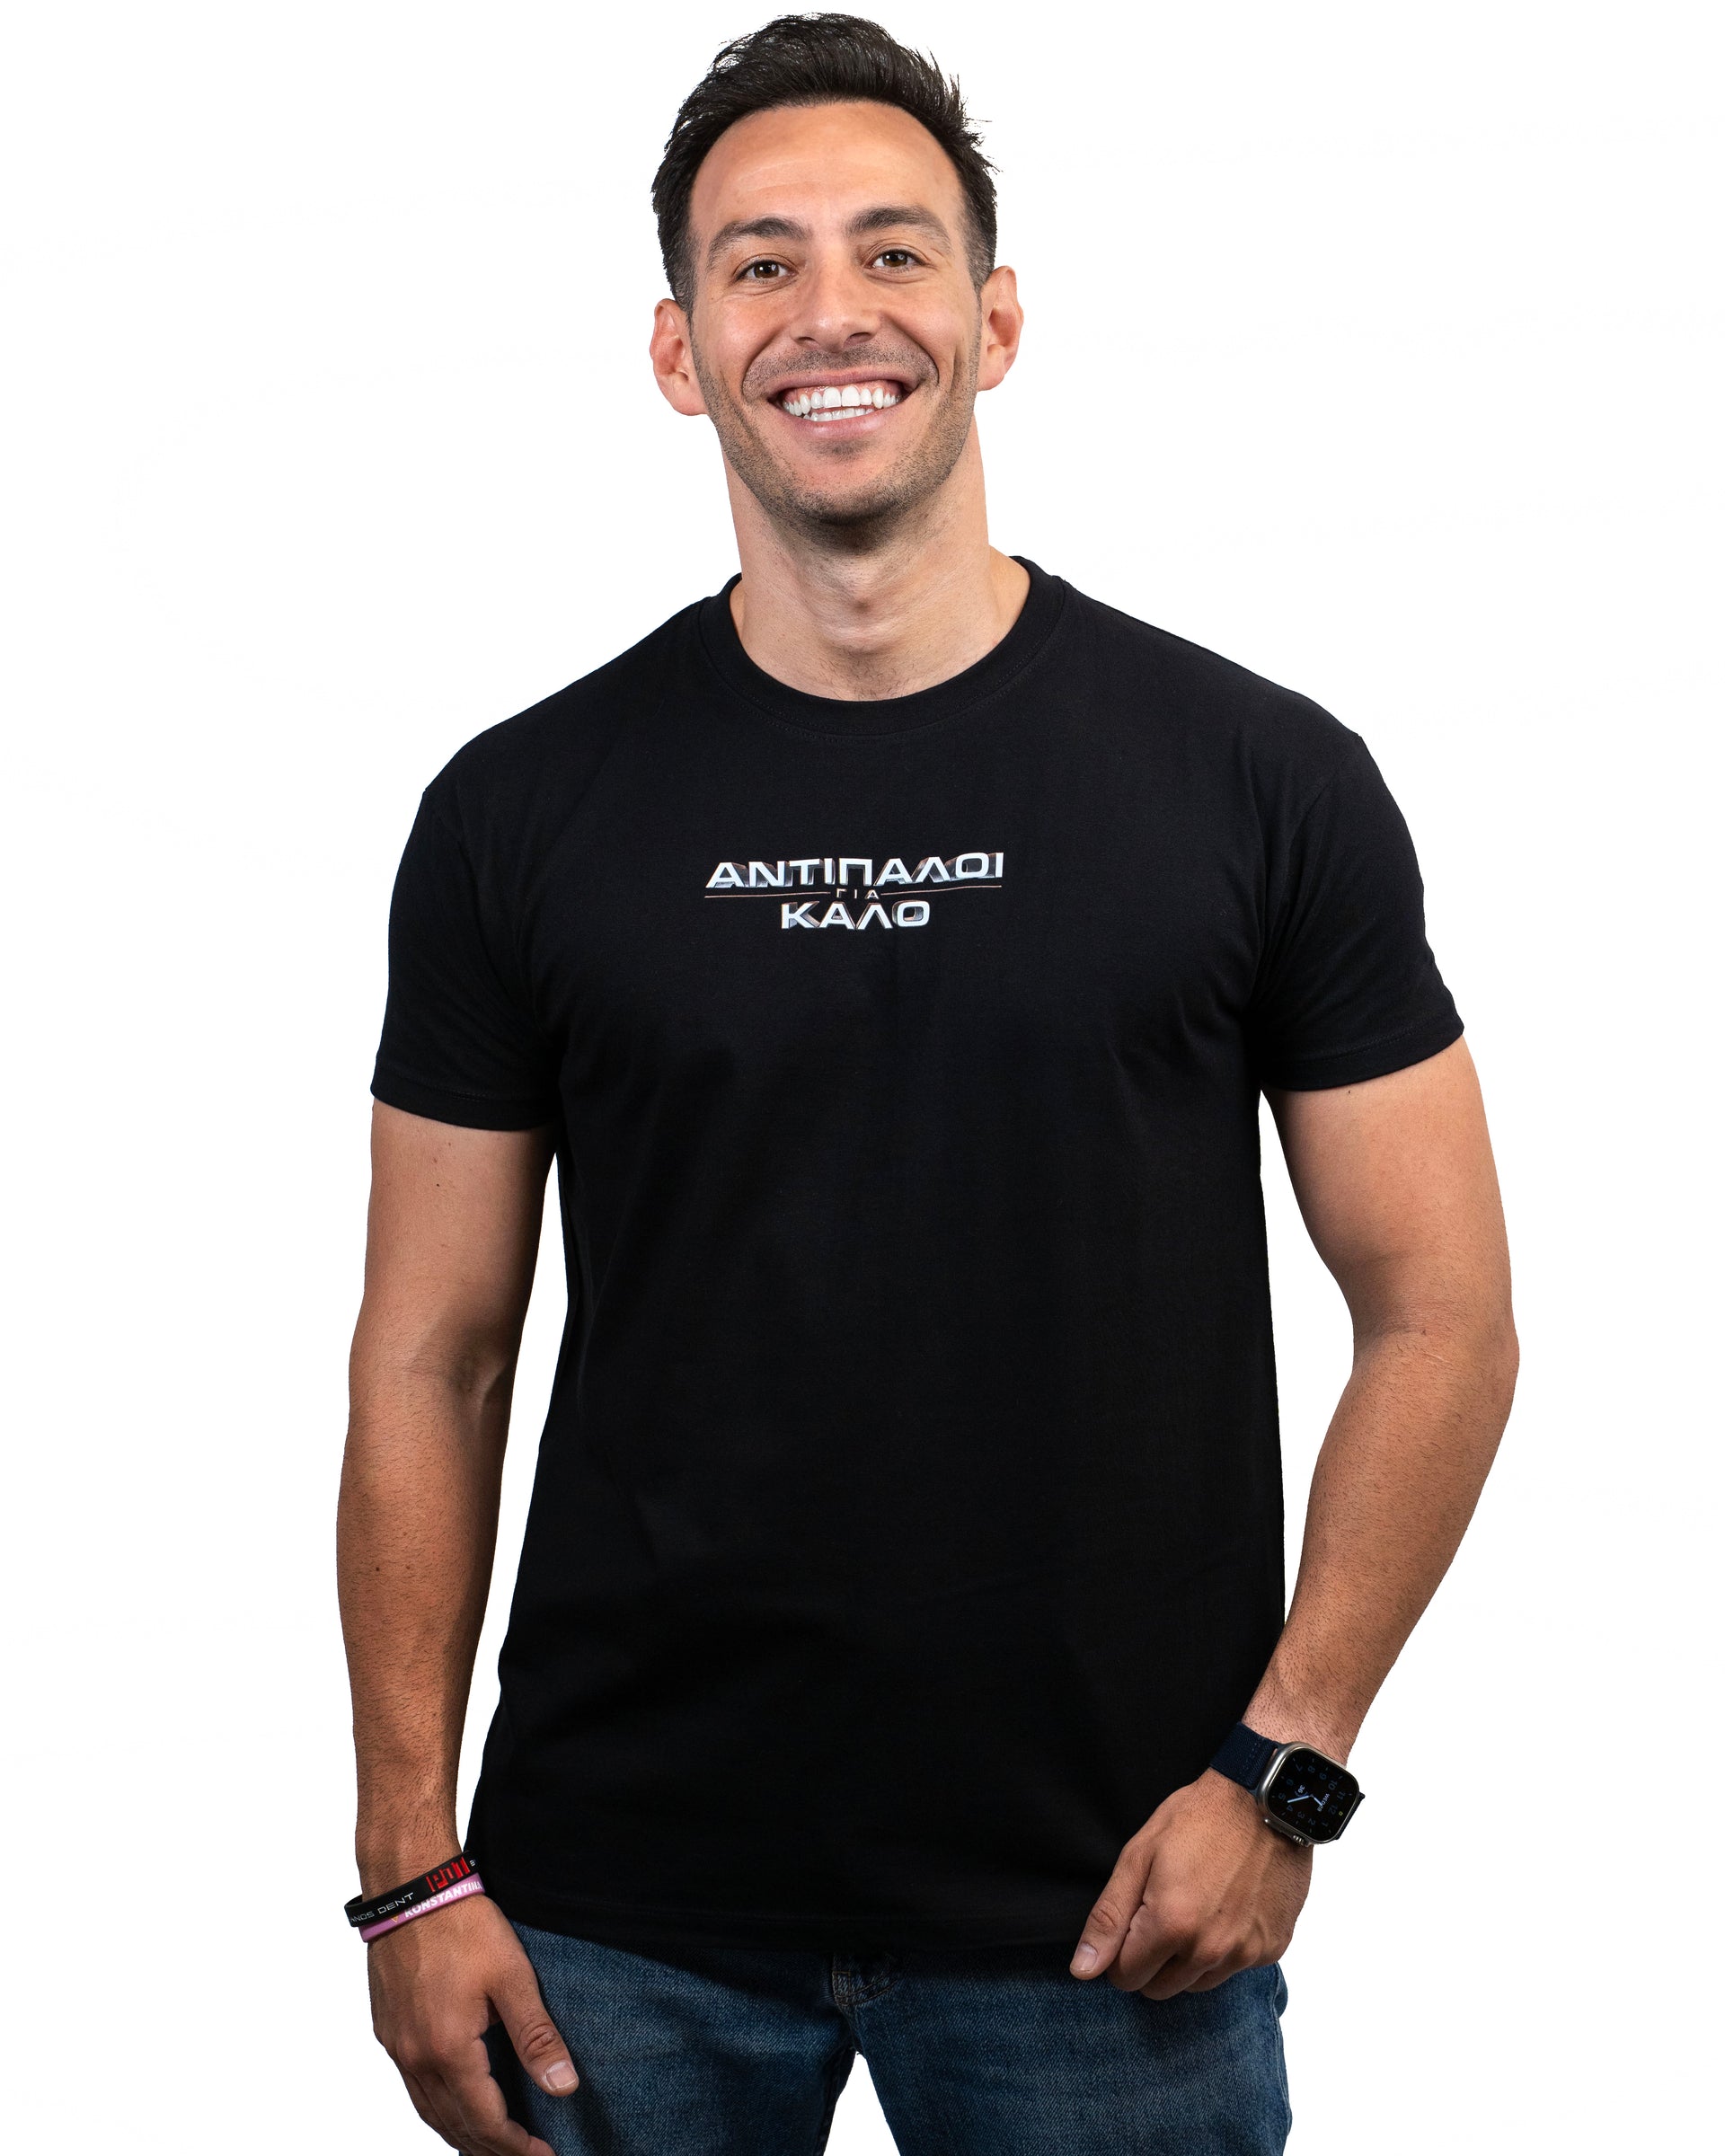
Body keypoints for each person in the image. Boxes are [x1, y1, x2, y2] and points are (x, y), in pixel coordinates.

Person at [336, 15, 1517, 2154]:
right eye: (760, 263)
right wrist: (411, 1861)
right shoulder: (521, 812)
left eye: (893, 251)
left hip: (1115, 1908)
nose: (831, 310)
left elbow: (1443, 1312)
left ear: (995, 320)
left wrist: (1285, 1772)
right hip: (617, 1917)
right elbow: (432, 1350)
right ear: (681, 350)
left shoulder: (1257, 781)